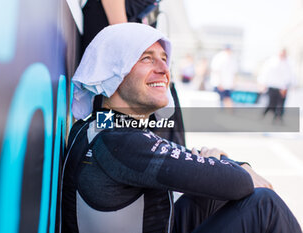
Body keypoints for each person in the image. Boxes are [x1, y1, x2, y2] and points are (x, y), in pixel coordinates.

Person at [61, 23, 301, 233]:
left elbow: (173, 156)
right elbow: (238, 182)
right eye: (146, 58)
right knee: (264, 205)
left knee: (206, 195)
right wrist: (244, 168)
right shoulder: (121, 143)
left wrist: (220, 165)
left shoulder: (98, 124)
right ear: (114, 70)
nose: (164, 69)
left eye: (164, 59)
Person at [81, 0, 186, 146]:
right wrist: (134, 56)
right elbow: (123, 38)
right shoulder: (125, 41)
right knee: (115, 142)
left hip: (132, 53)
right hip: (119, 59)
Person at [258, 49, 296, 121]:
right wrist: (262, 83)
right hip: (272, 85)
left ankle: (278, 117)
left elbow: (290, 76)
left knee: (280, 104)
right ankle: (266, 115)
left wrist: (285, 87)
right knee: (271, 102)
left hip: (282, 87)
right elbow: (265, 73)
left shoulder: (288, 64)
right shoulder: (272, 61)